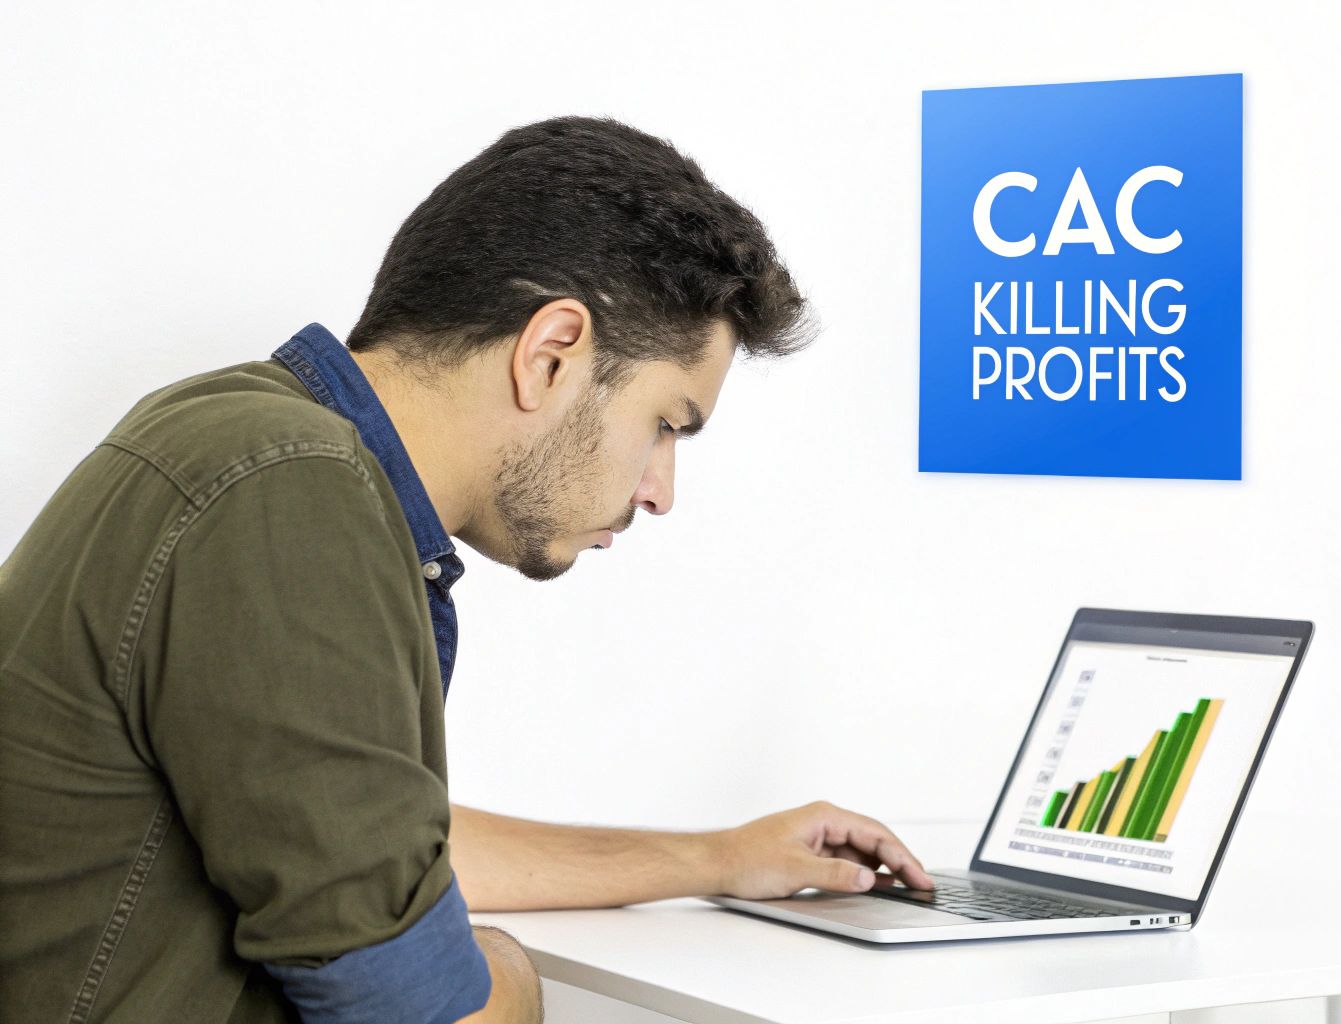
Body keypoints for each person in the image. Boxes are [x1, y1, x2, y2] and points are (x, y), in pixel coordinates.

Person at [0, 115, 934, 1024]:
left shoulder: (241, 433)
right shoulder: (293, 492)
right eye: (665, 423)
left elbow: (385, 845)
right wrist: (511, 979)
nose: (661, 491)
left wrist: (718, 858)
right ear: (551, 353)